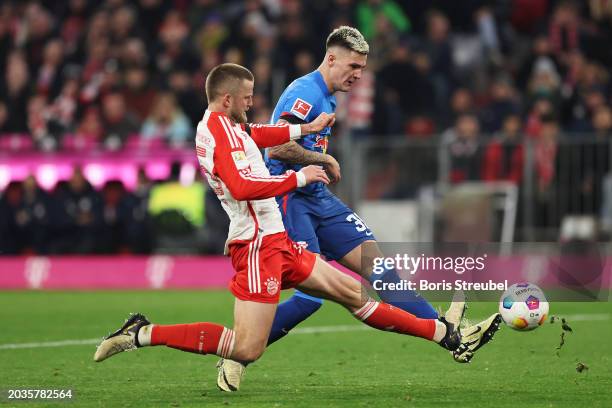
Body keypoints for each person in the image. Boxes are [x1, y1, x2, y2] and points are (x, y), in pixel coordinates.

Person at [94, 63, 468, 392]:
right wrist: (298, 179)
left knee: (354, 294)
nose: (250, 104)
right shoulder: (219, 134)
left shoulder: (227, 125)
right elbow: (241, 187)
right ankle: (142, 333)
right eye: (246, 99)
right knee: (246, 347)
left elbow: (259, 132)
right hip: (258, 247)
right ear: (226, 99)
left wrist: (308, 127)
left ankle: (441, 333)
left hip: (277, 241)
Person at [218, 26, 501, 387]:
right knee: (310, 299)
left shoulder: (329, 95)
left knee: (382, 270)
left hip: (318, 199)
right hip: (290, 200)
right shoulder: (305, 92)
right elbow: (276, 149)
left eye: (363, 69)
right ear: (331, 58)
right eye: (353, 66)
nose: (358, 75)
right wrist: (323, 158)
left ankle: (449, 333)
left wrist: (319, 161)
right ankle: (237, 354)